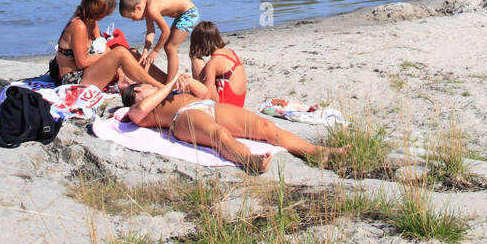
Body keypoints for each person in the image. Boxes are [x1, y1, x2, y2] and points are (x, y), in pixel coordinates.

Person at [120, 76, 348, 175]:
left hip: (207, 105)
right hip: (183, 117)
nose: (153, 86)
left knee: (266, 126)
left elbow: (210, 96)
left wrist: (190, 82)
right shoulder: (139, 109)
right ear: (138, 90)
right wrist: (169, 85)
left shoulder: (166, 93)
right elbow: (138, 113)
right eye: (148, 86)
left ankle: (318, 153)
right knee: (221, 135)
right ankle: (250, 160)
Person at [53, 0, 164, 90]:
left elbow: (104, 46)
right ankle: (159, 86)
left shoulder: (91, 22)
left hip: (88, 72)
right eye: (104, 13)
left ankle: (165, 80)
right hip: (74, 80)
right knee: (120, 51)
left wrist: (120, 75)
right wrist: (107, 54)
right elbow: (82, 62)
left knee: (131, 52)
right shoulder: (79, 26)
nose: (105, 16)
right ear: (96, 10)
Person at [118, 0, 199, 84]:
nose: (133, 20)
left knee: (170, 47)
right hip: (182, 14)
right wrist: (145, 52)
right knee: (168, 47)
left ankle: (169, 85)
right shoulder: (146, 7)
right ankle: (169, 82)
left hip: (189, 13)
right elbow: (150, 32)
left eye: (132, 17)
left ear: (137, 8)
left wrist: (155, 51)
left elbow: (166, 31)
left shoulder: (151, 9)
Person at [189, 21, 247, 106]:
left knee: (196, 59)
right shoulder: (231, 52)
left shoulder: (213, 63)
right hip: (238, 105)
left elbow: (207, 97)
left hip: (225, 108)